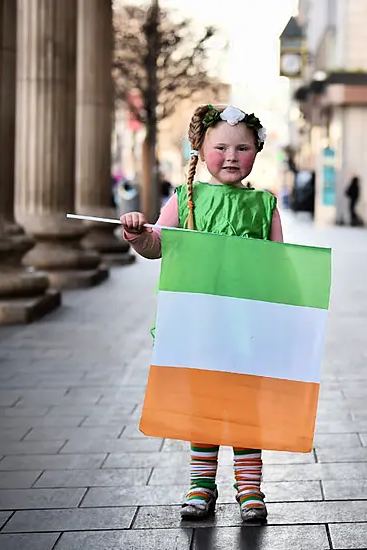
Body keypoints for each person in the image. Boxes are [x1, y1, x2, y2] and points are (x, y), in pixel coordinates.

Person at [120, 104, 281, 523]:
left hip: (245, 325)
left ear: (256, 151)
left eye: (242, 147)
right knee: (203, 404)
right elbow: (158, 245)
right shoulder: (185, 198)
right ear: (200, 150)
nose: (231, 156)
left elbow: (280, 266)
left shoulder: (265, 205)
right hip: (200, 325)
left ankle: (250, 489)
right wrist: (137, 232)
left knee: (246, 406)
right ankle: (200, 485)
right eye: (221, 147)